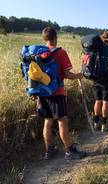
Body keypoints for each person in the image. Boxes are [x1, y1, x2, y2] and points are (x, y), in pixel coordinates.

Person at [39, 27, 86, 160]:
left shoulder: (38, 53)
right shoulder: (60, 53)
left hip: (42, 93)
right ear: (55, 37)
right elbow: (67, 74)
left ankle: (49, 150)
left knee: (47, 121)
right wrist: (78, 76)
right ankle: (70, 151)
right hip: (56, 92)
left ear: (44, 38)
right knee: (62, 121)